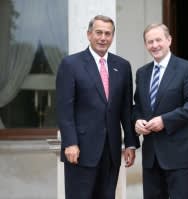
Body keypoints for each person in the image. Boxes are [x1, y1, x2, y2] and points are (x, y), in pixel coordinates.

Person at [56, 15, 140, 199]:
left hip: (111, 151)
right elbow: (64, 108)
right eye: (99, 32)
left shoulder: (123, 66)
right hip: (80, 151)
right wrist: (70, 142)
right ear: (89, 34)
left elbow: (125, 109)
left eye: (108, 34)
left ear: (112, 36)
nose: (103, 38)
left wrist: (131, 143)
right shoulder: (71, 64)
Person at [133, 23, 188, 199]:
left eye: (159, 40)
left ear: (169, 40)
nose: (155, 45)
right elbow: (138, 107)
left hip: (180, 153)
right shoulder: (142, 73)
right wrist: (137, 121)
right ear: (145, 45)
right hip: (151, 156)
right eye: (150, 41)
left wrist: (165, 120)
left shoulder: (187, 69)